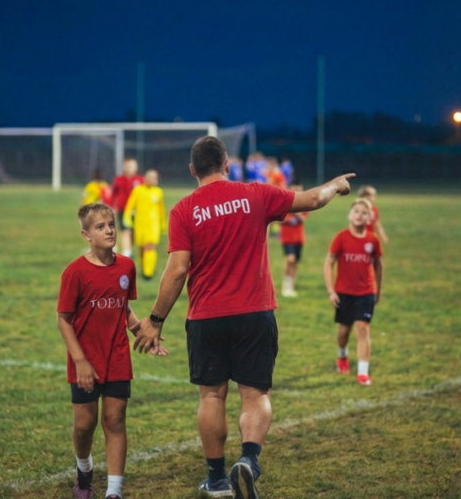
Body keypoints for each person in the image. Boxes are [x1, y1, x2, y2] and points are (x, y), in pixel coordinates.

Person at [133, 136, 354, 499]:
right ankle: (249, 461)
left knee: (211, 397)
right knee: (255, 393)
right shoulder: (256, 193)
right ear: (227, 165)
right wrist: (336, 184)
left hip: (206, 316)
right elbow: (313, 199)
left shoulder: (184, 210)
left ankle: (217, 479)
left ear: (192, 171)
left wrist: (155, 320)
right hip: (254, 312)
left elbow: (176, 269)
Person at [58, 202, 167, 499]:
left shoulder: (127, 267)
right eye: (100, 227)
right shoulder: (75, 272)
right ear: (86, 235)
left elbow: (122, 307)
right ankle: (84, 469)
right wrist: (79, 360)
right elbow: (64, 320)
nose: (108, 230)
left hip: (117, 355)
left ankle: (114, 491)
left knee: (115, 420)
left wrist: (141, 332)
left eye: (111, 224)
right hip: (85, 358)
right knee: (84, 425)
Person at [323, 198, 384, 386]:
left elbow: (378, 265)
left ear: (369, 217)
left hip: (366, 291)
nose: (359, 215)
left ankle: (363, 373)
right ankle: (342, 356)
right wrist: (331, 291)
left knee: (363, 328)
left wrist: (377, 291)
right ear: (350, 215)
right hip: (344, 292)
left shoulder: (373, 240)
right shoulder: (341, 238)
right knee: (343, 331)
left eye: (364, 212)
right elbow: (328, 263)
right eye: (356, 211)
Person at [122, 169, 166, 280]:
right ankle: (143, 269)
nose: (155, 180)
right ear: (146, 179)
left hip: (153, 224)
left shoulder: (158, 192)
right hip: (140, 223)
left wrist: (163, 224)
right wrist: (127, 219)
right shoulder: (138, 191)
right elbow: (130, 206)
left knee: (150, 246)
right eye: (152, 177)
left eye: (156, 177)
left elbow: (161, 210)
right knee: (142, 248)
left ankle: (148, 273)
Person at [110, 158, 144, 257]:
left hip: (137, 210)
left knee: (133, 233)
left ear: (136, 167)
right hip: (123, 209)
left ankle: (130, 248)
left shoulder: (140, 180)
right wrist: (113, 207)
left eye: (132, 166)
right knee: (125, 231)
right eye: (128, 166)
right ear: (124, 167)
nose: (130, 168)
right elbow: (113, 194)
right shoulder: (119, 179)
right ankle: (126, 253)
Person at [279, 183, 307, 298]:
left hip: (299, 238)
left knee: (295, 263)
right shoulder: (284, 203)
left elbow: (303, 218)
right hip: (287, 238)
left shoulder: (304, 203)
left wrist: (296, 212)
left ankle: (291, 285)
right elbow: (280, 219)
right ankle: (285, 286)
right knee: (290, 260)